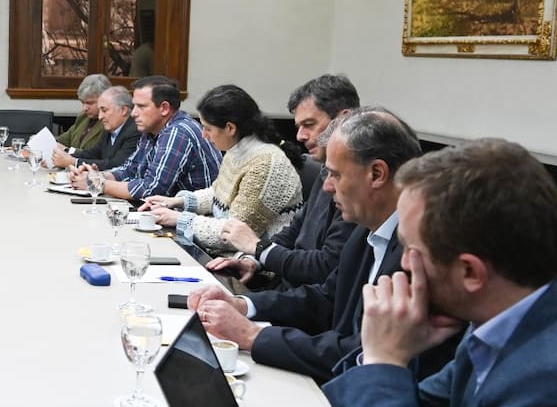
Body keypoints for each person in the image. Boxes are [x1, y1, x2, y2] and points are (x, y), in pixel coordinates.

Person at [324, 139, 557, 407]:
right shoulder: (499, 319)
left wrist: (385, 362)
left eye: (413, 252)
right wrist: (378, 363)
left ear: (470, 272)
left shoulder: (549, 383)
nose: (403, 265)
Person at [190, 108, 455, 382]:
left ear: (377, 174)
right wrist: (242, 305)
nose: (327, 187)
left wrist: (253, 336)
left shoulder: (422, 251)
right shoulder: (367, 231)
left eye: (336, 175)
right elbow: (325, 299)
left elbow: (369, 353)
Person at [208, 74, 359, 287]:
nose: (300, 136)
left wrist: (259, 249)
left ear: (343, 120)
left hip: (302, 299)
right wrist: (253, 260)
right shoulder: (326, 170)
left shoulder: (356, 187)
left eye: (309, 124)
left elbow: (324, 267)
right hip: (288, 287)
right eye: (298, 126)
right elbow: (294, 231)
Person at [140, 84, 304, 254]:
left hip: (254, 264)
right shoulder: (237, 149)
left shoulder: (265, 164)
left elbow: (235, 236)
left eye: (208, 128)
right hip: (227, 254)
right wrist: (177, 201)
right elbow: (218, 194)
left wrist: (181, 219)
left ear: (230, 128)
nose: (204, 135)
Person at [69, 76, 220, 201]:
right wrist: (95, 176)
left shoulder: (177, 132)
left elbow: (151, 189)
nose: (133, 113)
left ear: (164, 108)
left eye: (141, 107)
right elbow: (130, 169)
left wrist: (95, 183)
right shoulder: (151, 130)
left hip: (189, 223)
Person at [51, 85, 139, 171]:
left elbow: (116, 164)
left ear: (123, 110)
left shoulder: (135, 131)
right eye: (100, 110)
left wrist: (73, 162)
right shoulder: (110, 128)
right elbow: (93, 154)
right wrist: (65, 154)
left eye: (104, 110)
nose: (100, 117)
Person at [54, 73, 109, 152]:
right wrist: (45, 141)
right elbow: (64, 139)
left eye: (90, 103)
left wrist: (67, 150)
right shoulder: (83, 116)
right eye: (83, 103)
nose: (85, 108)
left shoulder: (110, 122)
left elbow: (98, 155)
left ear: (105, 99)